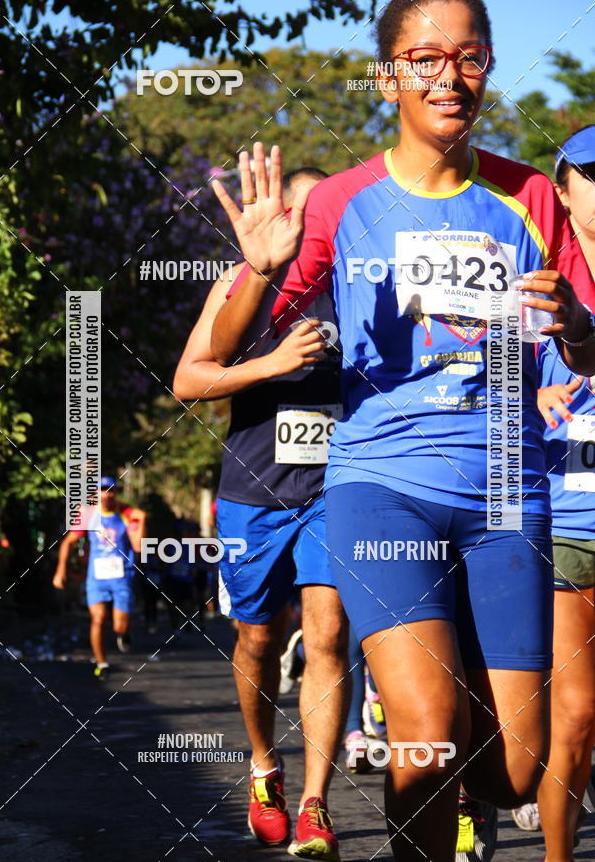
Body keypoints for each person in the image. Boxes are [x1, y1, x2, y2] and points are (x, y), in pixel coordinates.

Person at [208, 0, 595, 862]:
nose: (448, 76)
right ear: (388, 78)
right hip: (383, 485)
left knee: (511, 771)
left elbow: (583, 348)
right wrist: (261, 270)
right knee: (424, 731)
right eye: (424, 60)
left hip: (505, 483)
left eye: (469, 57)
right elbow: (225, 349)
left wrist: (578, 328)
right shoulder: (341, 201)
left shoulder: (530, 196)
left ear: (487, 67)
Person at [173, 168, 348, 861]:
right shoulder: (244, 283)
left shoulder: (360, 287)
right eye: (293, 210)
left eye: (317, 211)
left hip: (337, 493)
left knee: (329, 637)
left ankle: (316, 806)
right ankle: (264, 767)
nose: (303, 223)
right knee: (258, 642)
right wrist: (270, 363)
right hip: (254, 496)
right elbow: (190, 379)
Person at [529, 126, 595, 861]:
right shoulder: (537, 275)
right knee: (573, 719)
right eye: (592, 174)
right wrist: (531, 393)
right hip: (568, 516)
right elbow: (481, 386)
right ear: (563, 187)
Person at [53, 477, 147, 679]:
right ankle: (102, 663)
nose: (107, 494)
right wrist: (61, 571)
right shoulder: (88, 515)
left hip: (122, 576)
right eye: (103, 490)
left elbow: (138, 547)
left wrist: (142, 521)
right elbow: (67, 542)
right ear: (96, 493)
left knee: (118, 626)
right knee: (97, 619)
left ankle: (123, 633)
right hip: (97, 577)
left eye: (111, 490)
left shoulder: (127, 514)